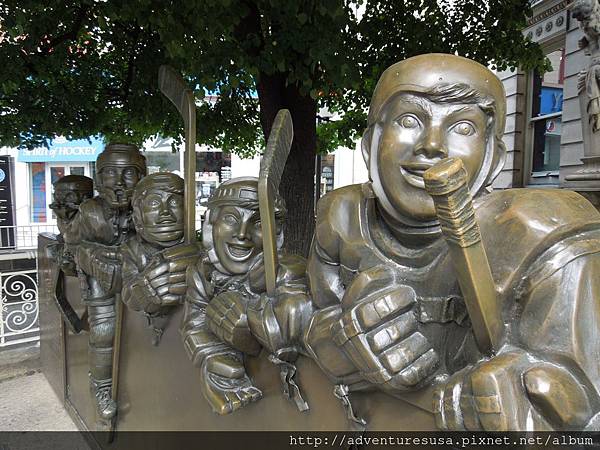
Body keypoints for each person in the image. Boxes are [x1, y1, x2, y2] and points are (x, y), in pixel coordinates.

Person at [303, 54, 600, 431]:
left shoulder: (537, 237)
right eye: (409, 120)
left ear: (493, 158)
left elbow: (582, 395)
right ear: (370, 144)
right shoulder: (341, 217)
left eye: (462, 127)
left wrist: (534, 394)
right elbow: (310, 312)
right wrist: (334, 339)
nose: (431, 145)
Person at [181, 177, 310, 415]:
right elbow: (194, 325)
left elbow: (298, 320)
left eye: (258, 223)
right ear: (211, 224)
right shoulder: (202, 273)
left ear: (276, 235)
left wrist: (253, 320)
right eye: (231, 219)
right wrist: (215, 358)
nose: (242, 234)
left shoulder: (288, 273)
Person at [64, 143, 146, 422]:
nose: (119, 182)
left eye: (128, 173)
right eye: (110, 173)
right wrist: (90, 255)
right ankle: (100, 388)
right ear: (99, 179)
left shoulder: (147, 206)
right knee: (104, 329)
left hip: (136, 271)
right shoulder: (89, 211)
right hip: (99, 274)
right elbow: (71, 246)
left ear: (142, 176)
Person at [120, 172, 198, 345]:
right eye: (154, 203)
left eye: (175, 203)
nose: (165, 213)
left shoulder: (200, 250)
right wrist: (142, 292)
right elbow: (129, 292)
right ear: (138, 216)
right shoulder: (132, 250)